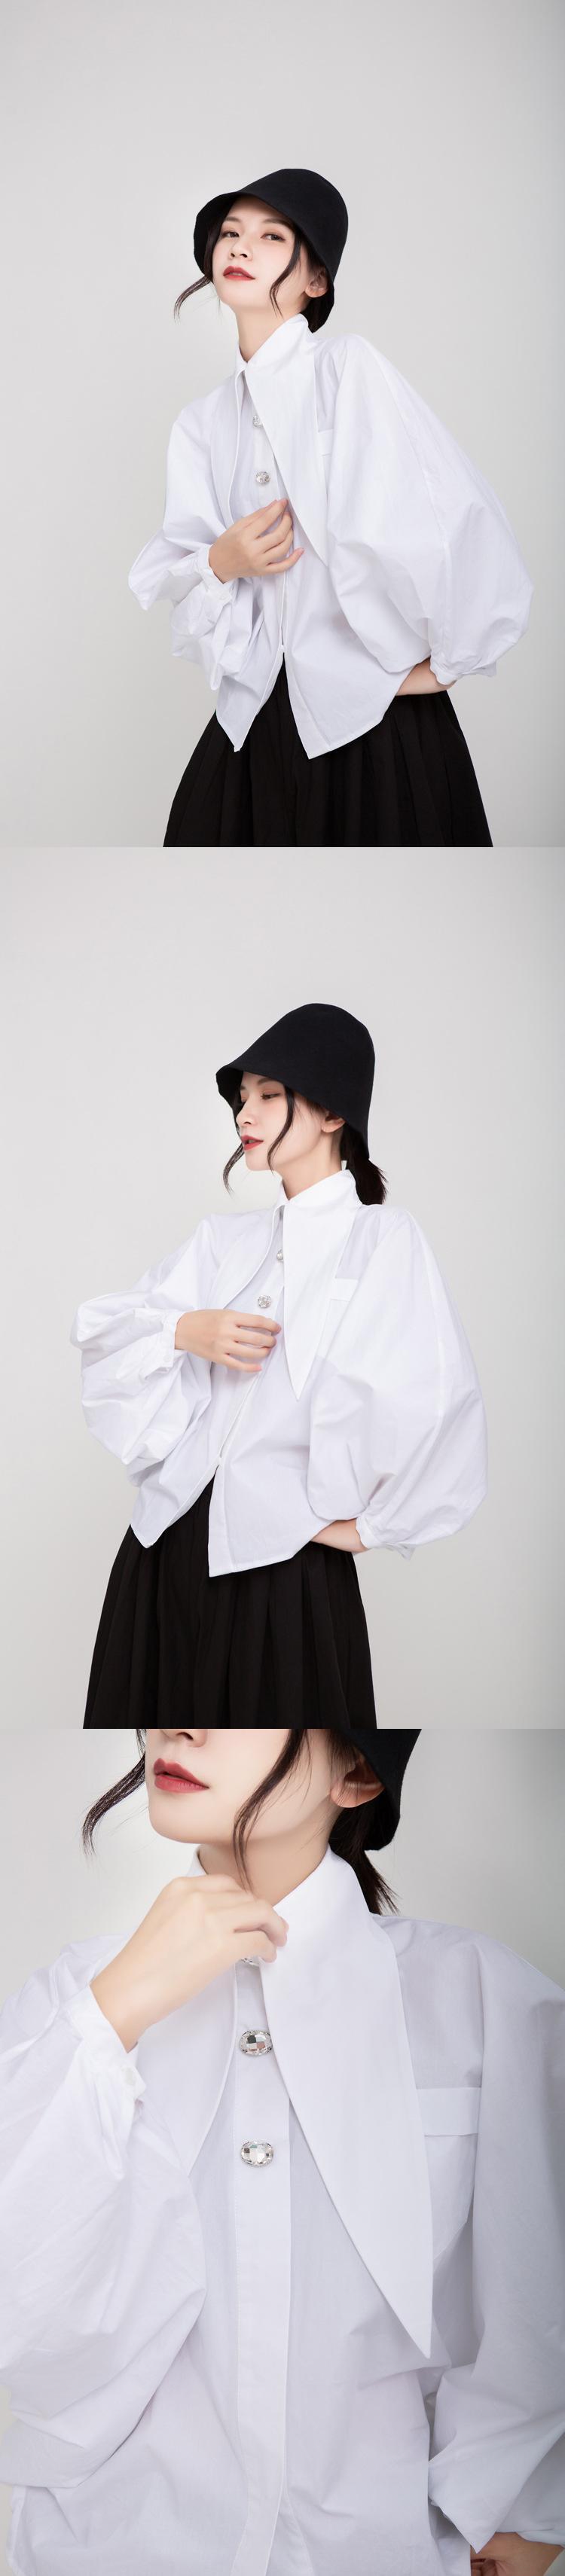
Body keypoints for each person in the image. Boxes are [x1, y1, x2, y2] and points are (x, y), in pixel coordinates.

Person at [0, 1724, 563, 2576]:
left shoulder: (481, 1999)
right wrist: (114, 2013)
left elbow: (537, 2294)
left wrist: (516, 2512)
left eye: (245, 1697)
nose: (180, 1724)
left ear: (358, 1772)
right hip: (102, 2546)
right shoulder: (72, 2002)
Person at [70, 1002, 487, 1726]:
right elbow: (104, 1336)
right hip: (161, 1552)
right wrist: (186, 1329)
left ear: (333, 1113)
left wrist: (368, 1528)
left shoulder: (381, 1241)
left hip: (280, 1572)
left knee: (278, 1748)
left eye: (269, 1093)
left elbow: (435, 1399)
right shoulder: (221, 1241)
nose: (245, 1113)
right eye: (243, 1097)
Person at [128, 166, 533, 848]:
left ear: (316, 280)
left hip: (372, 727)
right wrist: (221, 562)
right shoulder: (201, 423)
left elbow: (437, 514)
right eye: (230, 233)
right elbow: (189, 591)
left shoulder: (346, 370)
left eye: (272, 236)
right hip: (255, 722)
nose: (240, 246)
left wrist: (448, 662)